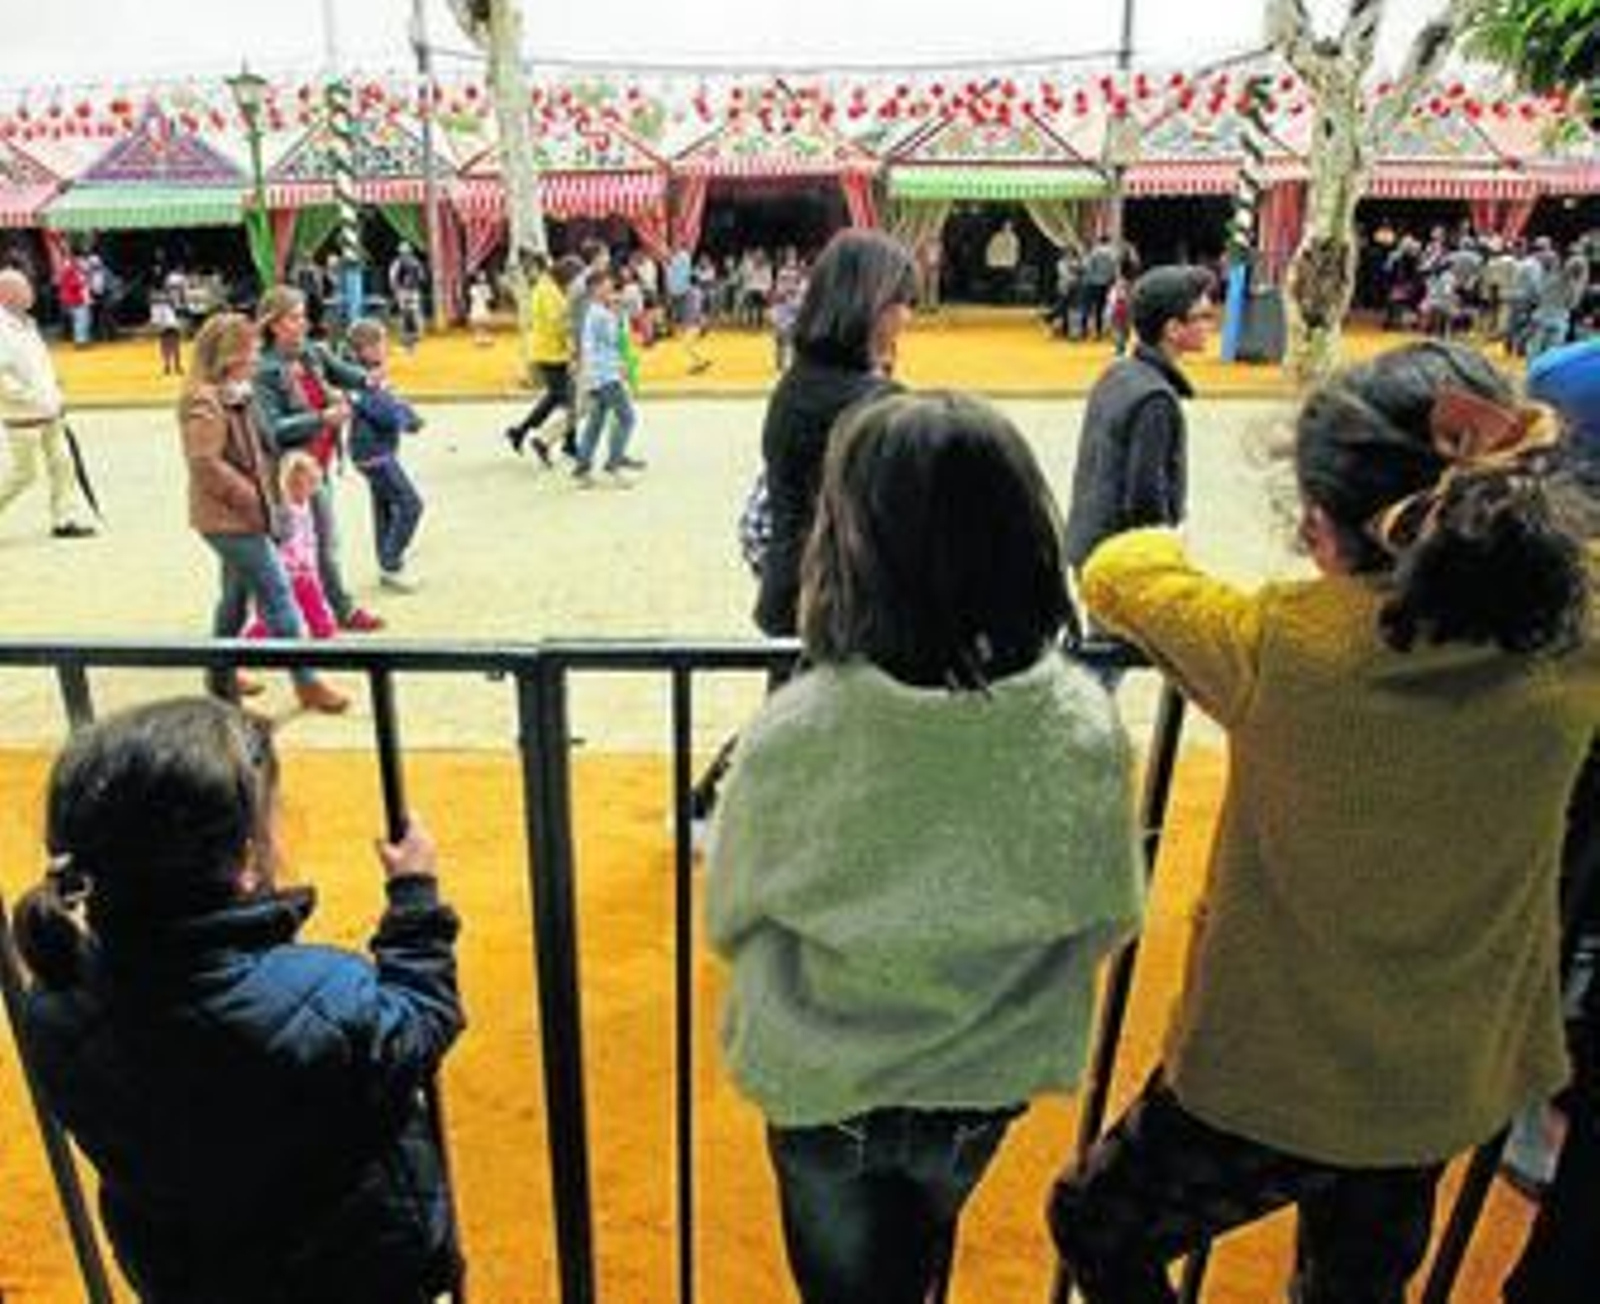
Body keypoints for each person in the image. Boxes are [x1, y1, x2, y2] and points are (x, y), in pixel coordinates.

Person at [1048, 341, 1600, 1304]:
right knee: (1359, 1283)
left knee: (1096, 1221)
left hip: (1270, 1083)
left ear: (1325, 527)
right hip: (1447, 1075)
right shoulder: (1580, 628)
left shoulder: (1279, 645)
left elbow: (1116, 568)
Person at [708, 391, 1145, 1304]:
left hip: (824, 1073)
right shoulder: (1078, 722)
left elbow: (734, 911)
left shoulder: (798, 728)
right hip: (982, 1078)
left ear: (851, 545)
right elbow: (1109, 910)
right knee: (920, 1253)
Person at [15, 697, 463, 1302]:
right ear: (247, 861)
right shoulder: (325, 996)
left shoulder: (54, 1004)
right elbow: (423, 1016)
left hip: (190, 1279)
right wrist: (414, 900)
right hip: (358, 1275)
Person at [179, 313, 348, 714]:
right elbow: (204, 463)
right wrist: (253, 501)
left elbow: (264, 445)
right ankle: (306, 682)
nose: (257, 357)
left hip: (246, 514)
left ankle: (219, 675)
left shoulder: (236, 391)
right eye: (251, 350)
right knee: (279, 595)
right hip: (230, 519)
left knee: (235, 598)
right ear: (229, 355)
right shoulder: (203, 399)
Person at [754, 229, 918, 639]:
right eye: (899, 303)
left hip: (795, 604)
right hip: (854, 622)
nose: (906, 318)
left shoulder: (793, 387)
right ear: (867, 306)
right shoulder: (877, 407)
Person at [1063, 266, 1212, 579]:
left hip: (1090, 547)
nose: (1210, 325)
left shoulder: (1118, 372)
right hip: (1123, 564)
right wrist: (1166, 561)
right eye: (1202, 317)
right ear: (1173, 328)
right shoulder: (1155, 400)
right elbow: (1145, 497)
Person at [254, 284, 384, 633]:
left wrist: (368, 379)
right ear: (274, 324)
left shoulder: (310, 352)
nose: (304, 323)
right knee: (316, 544)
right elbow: (274, 429)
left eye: (303, 316)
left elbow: (341, 370)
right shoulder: (263, 370)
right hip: (293, 471)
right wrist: (321, 418)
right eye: (295, 318)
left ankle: (297, 613)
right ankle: (333, 611)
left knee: (312, 544)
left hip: (317, 464)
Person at [0, 268, 97, 539]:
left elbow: (38, 365)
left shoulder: (27, 324)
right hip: (24, 415)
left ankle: (64, 519)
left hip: (50, 410)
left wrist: (54, 390)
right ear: (6, 294)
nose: (30, 292)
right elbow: (2, 378)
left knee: (63, 464)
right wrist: (34, 398)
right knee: (23, 474)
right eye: (24, 288)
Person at [347, 318, 426, 592]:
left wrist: (411, 416)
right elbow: (382, 411)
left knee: (384, 508)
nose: (385, 348)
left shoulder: (375, 373)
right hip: (372, 453)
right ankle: (392, 563)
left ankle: (387, 562)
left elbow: (394, 402)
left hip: (380, 450)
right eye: (380, 343)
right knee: (411, 504)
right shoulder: (358, 377)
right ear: (364, 349)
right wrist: (405, 420)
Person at [243, 451, 339, 641]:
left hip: (304, 572)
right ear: (291, 485)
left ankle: (325, 635)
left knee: (313, 607)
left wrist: (310, 563)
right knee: (279, 612)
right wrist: (296, 563)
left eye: (313, 485)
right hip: (289, 572)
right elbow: (282, 542)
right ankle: (251, 642)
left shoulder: (305, 506)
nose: (310, 491)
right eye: (306, 485)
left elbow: (308, 538)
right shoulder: (285, 511)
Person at [504, 254, 583, 464]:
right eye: (574, 278)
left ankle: (524, 433)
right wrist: (573, 331)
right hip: (550, 354)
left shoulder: (550, 287)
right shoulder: (547, 290)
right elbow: (557, 323)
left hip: (553, 352)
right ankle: (551, 441)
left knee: (560, 399)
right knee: (567, 401)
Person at [572, 269, 644, 486]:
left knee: (596, 422)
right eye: (606, 286)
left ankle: (582, 468)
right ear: (595, 289)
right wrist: (619, 313)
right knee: (627, 418)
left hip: (597, 374)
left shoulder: (595, 311)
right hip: (605, 375)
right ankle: (612, 465)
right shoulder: (601, 314)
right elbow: (615, 340)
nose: (611, 289)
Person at [387, 242, 427, 352]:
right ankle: (415, 336)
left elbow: (392, 279)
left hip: (405, 292)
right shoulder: (415, 263)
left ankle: (408, 338)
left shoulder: (398, 263)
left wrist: (396, 291)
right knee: (413, 312)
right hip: (412, 291)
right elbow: (422, 277)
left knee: (406, 314)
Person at [151, 289, 183, 376]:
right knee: (174, 346)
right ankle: (175, 366)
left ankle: (169, 366)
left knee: (166, 346)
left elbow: (155, 321)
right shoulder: (167, 302)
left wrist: (155, 327)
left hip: (166, 325)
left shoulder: (155, 305)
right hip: (172, 324)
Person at [467, 272, 495, 346]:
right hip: (477, 306)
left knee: (484, 322)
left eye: (483, 278)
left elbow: (489, 298)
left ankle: (485, 337)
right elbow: (472, 298)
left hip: (482, 306)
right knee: (479, 323)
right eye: (480, 278)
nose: (482, 279)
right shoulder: (474, 288)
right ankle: (479, 337)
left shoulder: (485, 287)